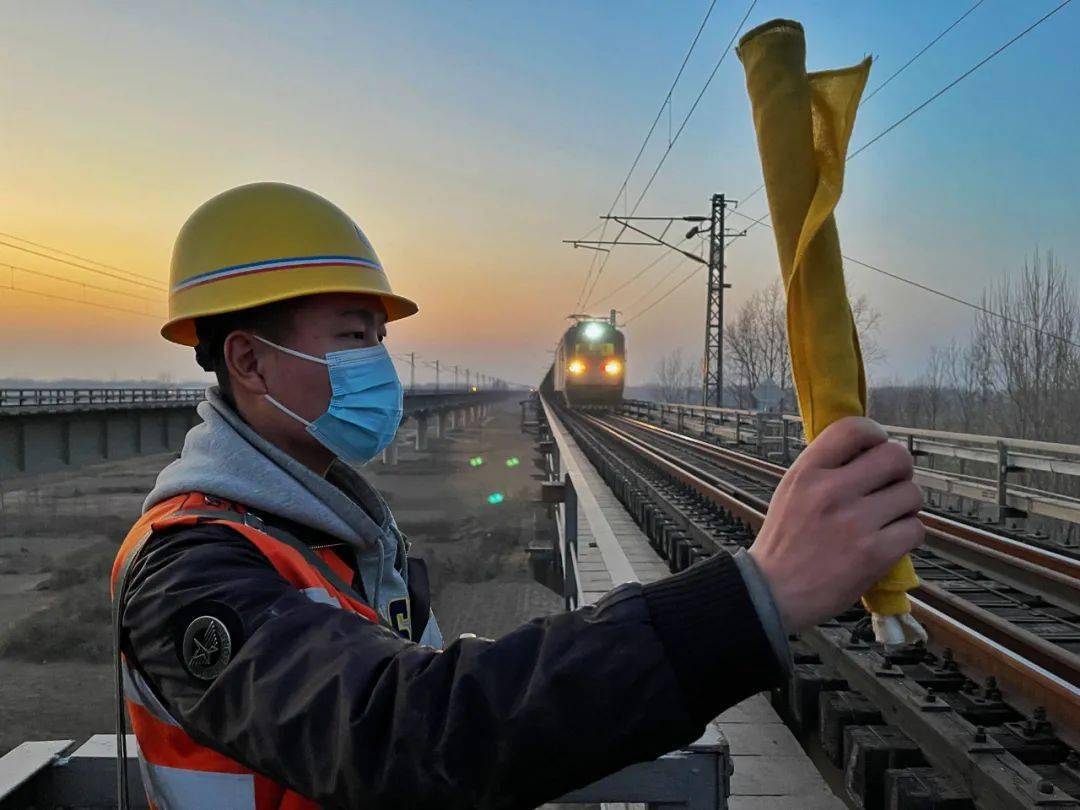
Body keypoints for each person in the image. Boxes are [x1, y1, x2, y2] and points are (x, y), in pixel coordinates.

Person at [111, 182, 925, 810]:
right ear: (248, 364)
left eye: (380, 340)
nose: (379, 366)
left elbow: (455, 695)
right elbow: (410, 730)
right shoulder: (191, 575)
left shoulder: (334, 533)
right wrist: (755, 596)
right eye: (354, 336)